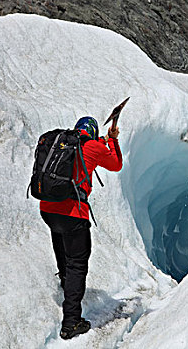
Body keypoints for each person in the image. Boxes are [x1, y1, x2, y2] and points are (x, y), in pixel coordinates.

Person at [39, 116, 123, 340]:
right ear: (93, 133)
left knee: (61, 246)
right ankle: (71, 322)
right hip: (72, 213)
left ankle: (66, 285)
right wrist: (113, 141)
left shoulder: (64, 143)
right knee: (77, 262)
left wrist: (104, 139)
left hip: (48, 208)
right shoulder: (94, 146)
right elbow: (115, 164)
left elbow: (89, 147)